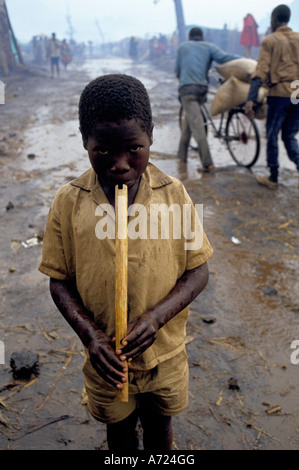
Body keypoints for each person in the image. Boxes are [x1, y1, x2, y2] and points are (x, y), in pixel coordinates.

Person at [38, 74, 213, 451]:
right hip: (105, 361)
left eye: (134, 148)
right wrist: (91, 336)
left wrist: (155, 318)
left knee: (159, 430)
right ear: (85, 140)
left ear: (150, 136)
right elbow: (59, 280)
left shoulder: (173, 194)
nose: (119, 164)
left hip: (163, 353)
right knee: (118, 435)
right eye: (103, 151)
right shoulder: (68, 202)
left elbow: (198, 270)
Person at [245, 4, 299, 189]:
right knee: (290, 135)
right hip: (297, 93)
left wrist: (251, 99)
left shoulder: (271, 41)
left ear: (274, 19)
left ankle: (273, 178)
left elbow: (260, 71)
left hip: (280, 94)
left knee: (272, 134)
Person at [175, 27, 240, 171]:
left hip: (187, 91)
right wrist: (244, 59)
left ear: (189, 37)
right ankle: (181, 157)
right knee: (190, 122)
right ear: (202, 37)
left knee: (197, 127)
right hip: (202, 90)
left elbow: (177, 71)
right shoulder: (209, 47)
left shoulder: (183, 48)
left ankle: (208, 163)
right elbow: (224, 57)